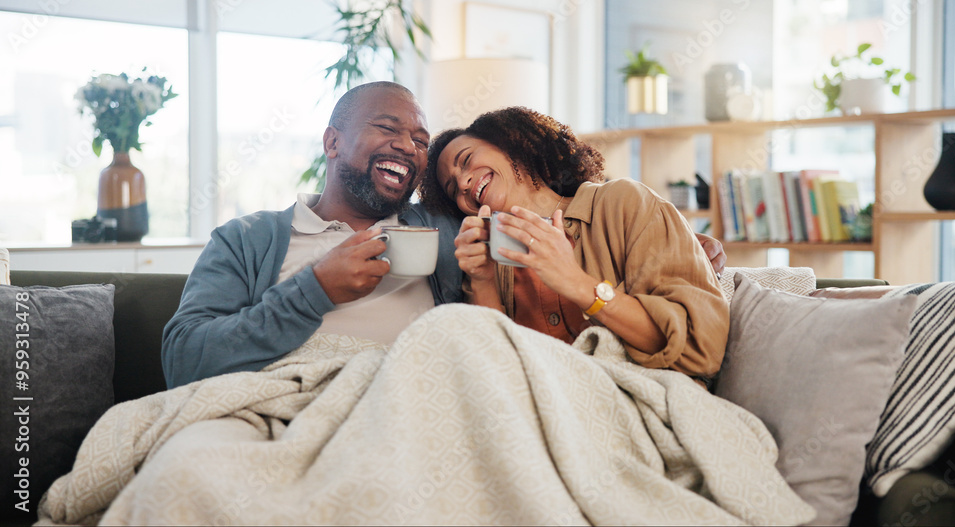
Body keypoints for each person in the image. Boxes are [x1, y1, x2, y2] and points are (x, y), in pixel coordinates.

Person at [161, 81, 463, 389]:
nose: (408, 147)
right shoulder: (246, 238)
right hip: (278, 401)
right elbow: (183, 361)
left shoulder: (439, 229)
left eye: (421, 141)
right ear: (332, 142)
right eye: (387, 128)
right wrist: (315, 289)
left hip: (403, 400)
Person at [418, 106, 729, 383]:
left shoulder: (623, 203)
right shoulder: (489, 260)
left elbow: (701, 350)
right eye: (452, 188)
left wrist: (576, 283)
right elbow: (492, 374)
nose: (462, 183)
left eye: (466, 159)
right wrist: (483, 280)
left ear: (511, 143)